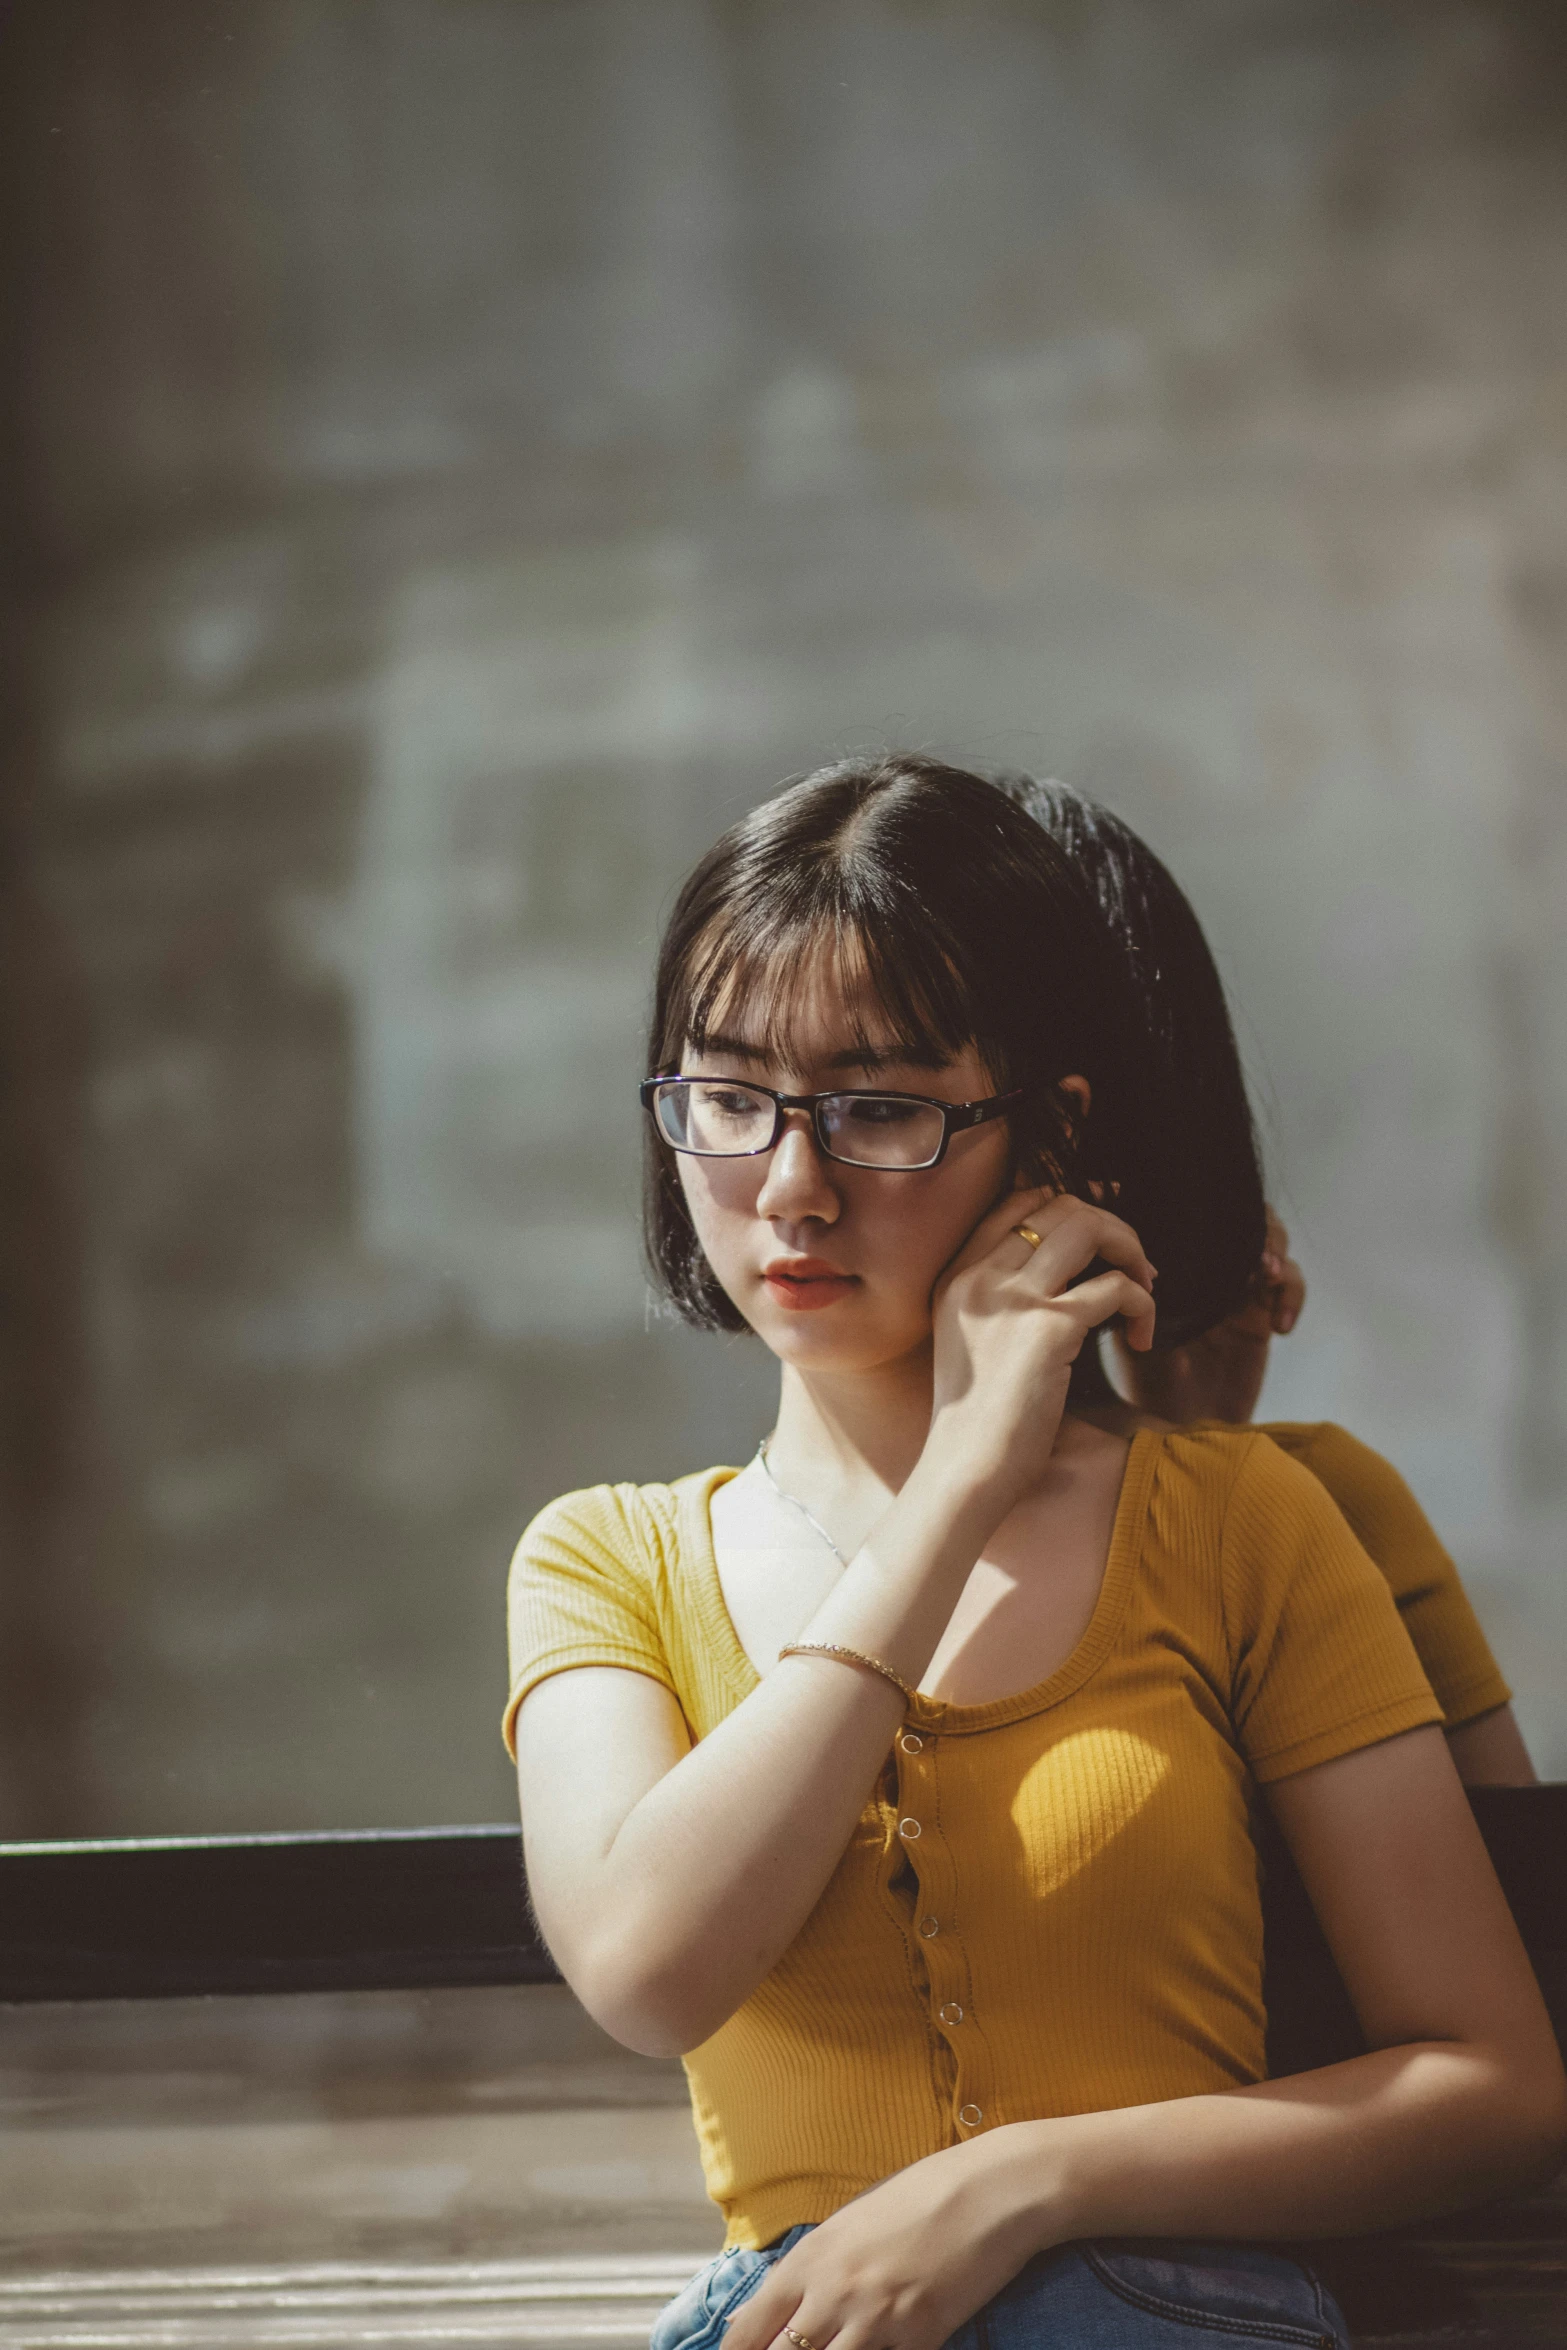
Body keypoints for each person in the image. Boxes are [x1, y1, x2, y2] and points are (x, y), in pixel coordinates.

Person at [506, 755, 1564, 2350]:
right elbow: (651, 1971)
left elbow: (1488, 2081)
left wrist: (1021, 2180)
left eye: (879, 1109)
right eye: (723, 1098)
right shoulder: (601, 1559)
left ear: (1043, 1137)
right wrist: (958, 1484)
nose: (787, 1185)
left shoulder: (1235, 1518)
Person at [998, 774, 1535, 1787]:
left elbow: (1515, 1900)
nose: (800, 1174)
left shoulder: (1311, 1503)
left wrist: (1205, 1455)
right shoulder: (668, 1546)